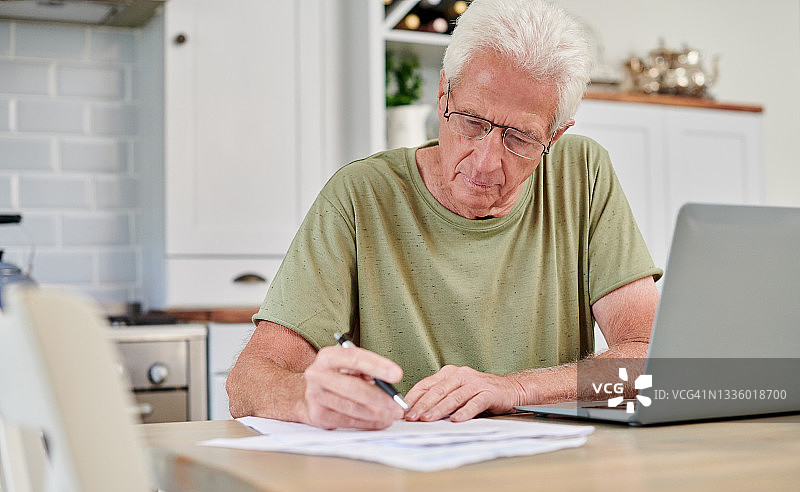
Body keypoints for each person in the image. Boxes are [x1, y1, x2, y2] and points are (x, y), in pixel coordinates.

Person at [226, 0, 662, 430]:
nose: (486, 161)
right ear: (442, 94)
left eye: (520, 139)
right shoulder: (359, 195)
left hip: (550, 481)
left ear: (555, 135)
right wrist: (306, 397)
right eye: (472, 121)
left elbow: (655, 361)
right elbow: (247, 382)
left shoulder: (582, 172)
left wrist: (516, 389)